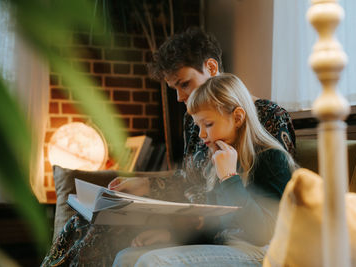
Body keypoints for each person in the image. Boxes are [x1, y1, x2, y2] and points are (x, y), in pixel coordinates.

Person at [41, 27, 296, 267]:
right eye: (174, 88)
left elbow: (268, 222)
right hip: (201, 226)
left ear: (211, 67)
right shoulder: (201, 132)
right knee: (94, 226)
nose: (179, 97)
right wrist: (150, 190)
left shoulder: (267, 133)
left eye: (183, 84)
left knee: (119, 238)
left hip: (245, 240)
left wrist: (228, 179)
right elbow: (201, 193)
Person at [112, 73, 297, 266]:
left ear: (238, 117)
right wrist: (172, 236)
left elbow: (263, 233)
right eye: (198, 125)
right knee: (127, 257)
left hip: (262, 252)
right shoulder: (217, 160)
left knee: (153, 261)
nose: (201, 134)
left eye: (208, 124)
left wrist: (229, 177)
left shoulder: (271, 158)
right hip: (224, 246)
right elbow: (215, 227)